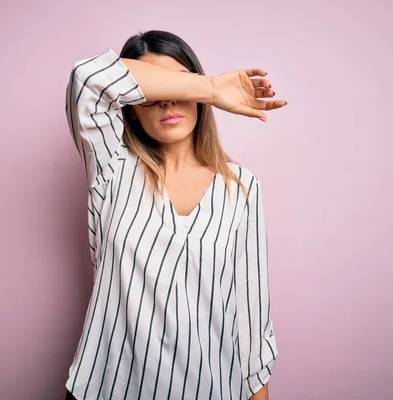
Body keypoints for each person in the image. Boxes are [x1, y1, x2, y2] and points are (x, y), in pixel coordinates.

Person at [63, 29, 286, 400]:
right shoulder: (112, 169)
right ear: (131, 111)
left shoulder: (242, 189)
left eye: (180, 87)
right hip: (106, 389)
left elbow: (252, 324)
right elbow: (87, 78)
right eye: (153, 94)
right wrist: (210, 88)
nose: (168, 102)